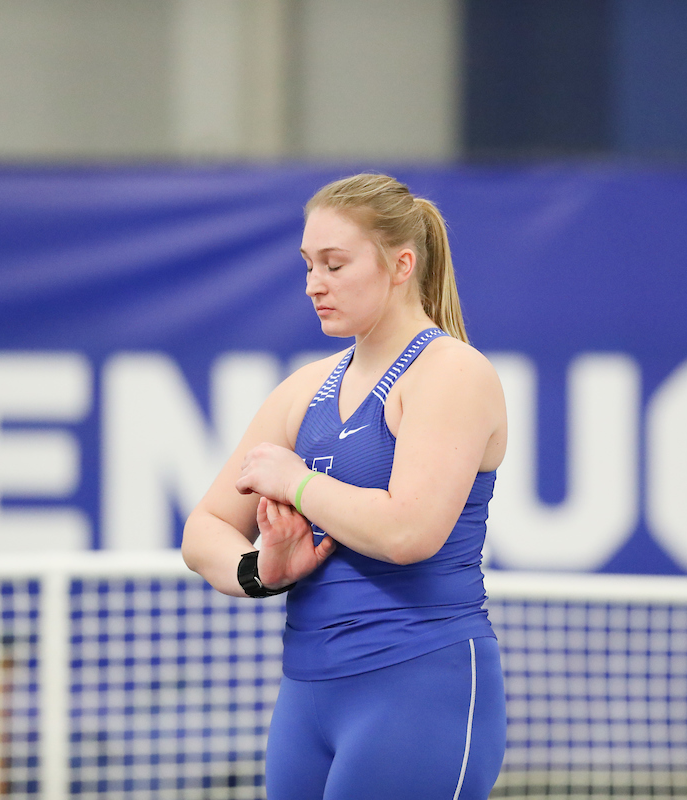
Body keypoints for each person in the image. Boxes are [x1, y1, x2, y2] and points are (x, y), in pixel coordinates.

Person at [181, 173, 508, 799]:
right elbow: (204, 531)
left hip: (420, 685)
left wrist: (299, 483)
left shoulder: (453, 373)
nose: (313, 284)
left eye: (334, 264)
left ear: (400, 265)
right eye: (308, 265)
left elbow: (410, 531)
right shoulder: (306, 388)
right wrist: (264, 570)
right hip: (307, 697)